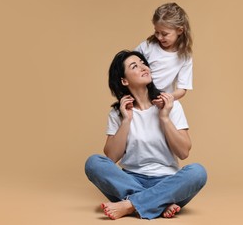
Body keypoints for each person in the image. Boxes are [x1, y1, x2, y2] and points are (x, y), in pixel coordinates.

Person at [85, 50, 207, 220]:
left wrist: (164, 117)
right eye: (135, 66)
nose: (144, 67)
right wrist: (126, 120)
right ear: (124, 80)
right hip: (130, 181)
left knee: (197, 172)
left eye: (143, 62)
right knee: (93, 163)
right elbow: (111, 157)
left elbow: (184, 152)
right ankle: (158, 203)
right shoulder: (117, 113)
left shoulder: (171, 105)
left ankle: (130, 205)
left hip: (168, 182)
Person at [135, 2, 193, 107]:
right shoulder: (147, 47)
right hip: (140, 101)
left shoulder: (185, 56)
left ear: (179, 30)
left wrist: (167, 98)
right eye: (156, 32)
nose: (159, 37)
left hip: (165, 104)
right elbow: (128, 70)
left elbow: (182, 89)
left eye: (164, 34)